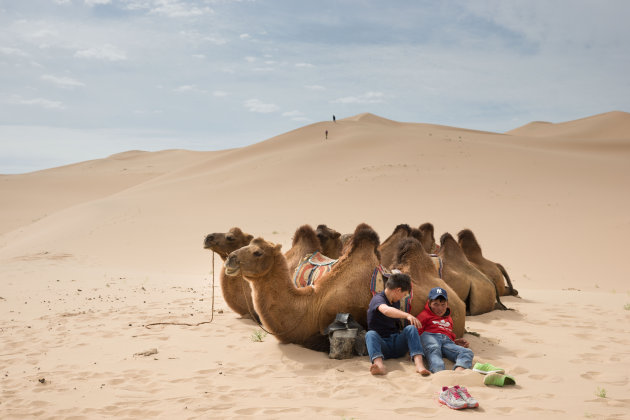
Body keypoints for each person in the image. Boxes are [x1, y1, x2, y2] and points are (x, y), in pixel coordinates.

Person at [365, 273, 430, 376]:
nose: (402, 297)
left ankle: (419, 365)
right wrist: (407, 315)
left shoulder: (395, 301)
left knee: (411, 329)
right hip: (383, 346)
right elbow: (386, 310)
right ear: (398, 290)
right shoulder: (377, 299)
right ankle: (379, 365)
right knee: (370, 334)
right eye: (403, 294)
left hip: (396, 343)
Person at [416, 287, 474, 373]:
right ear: (429, 303)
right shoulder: (424, 315)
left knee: (467, 352)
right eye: (436, 304)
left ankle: (459, 371)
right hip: (430, 336)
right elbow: (416, 333)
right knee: (434, 348)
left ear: (447, 304)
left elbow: (447, 333)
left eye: (443, 305)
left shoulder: (449, 319)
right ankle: (439, 372)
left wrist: (455, 341)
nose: (440, 308)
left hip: (446, 341)